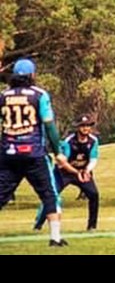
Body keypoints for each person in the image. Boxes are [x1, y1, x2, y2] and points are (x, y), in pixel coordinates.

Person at [0, 59, 70, 246]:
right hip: (34, 153)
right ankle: (55, 238)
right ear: (32, 75)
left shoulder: (3, 95)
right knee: (49, 194)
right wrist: (57, 152)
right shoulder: (39, 95)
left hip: (8, 152)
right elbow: (49, 126)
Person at [33, 114, 101, 232]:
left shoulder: (93, 141)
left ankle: (92, 226)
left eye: (88, 125)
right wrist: (76, 172)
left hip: (82, 172)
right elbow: (62, 162)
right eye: (83, 126)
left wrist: (87, 170)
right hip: (64, 173)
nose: (86, 128)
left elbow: (93, 158)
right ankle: (38, 225)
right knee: (51, 197)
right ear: (78, 127)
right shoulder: (68, 142)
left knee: (94, 194)